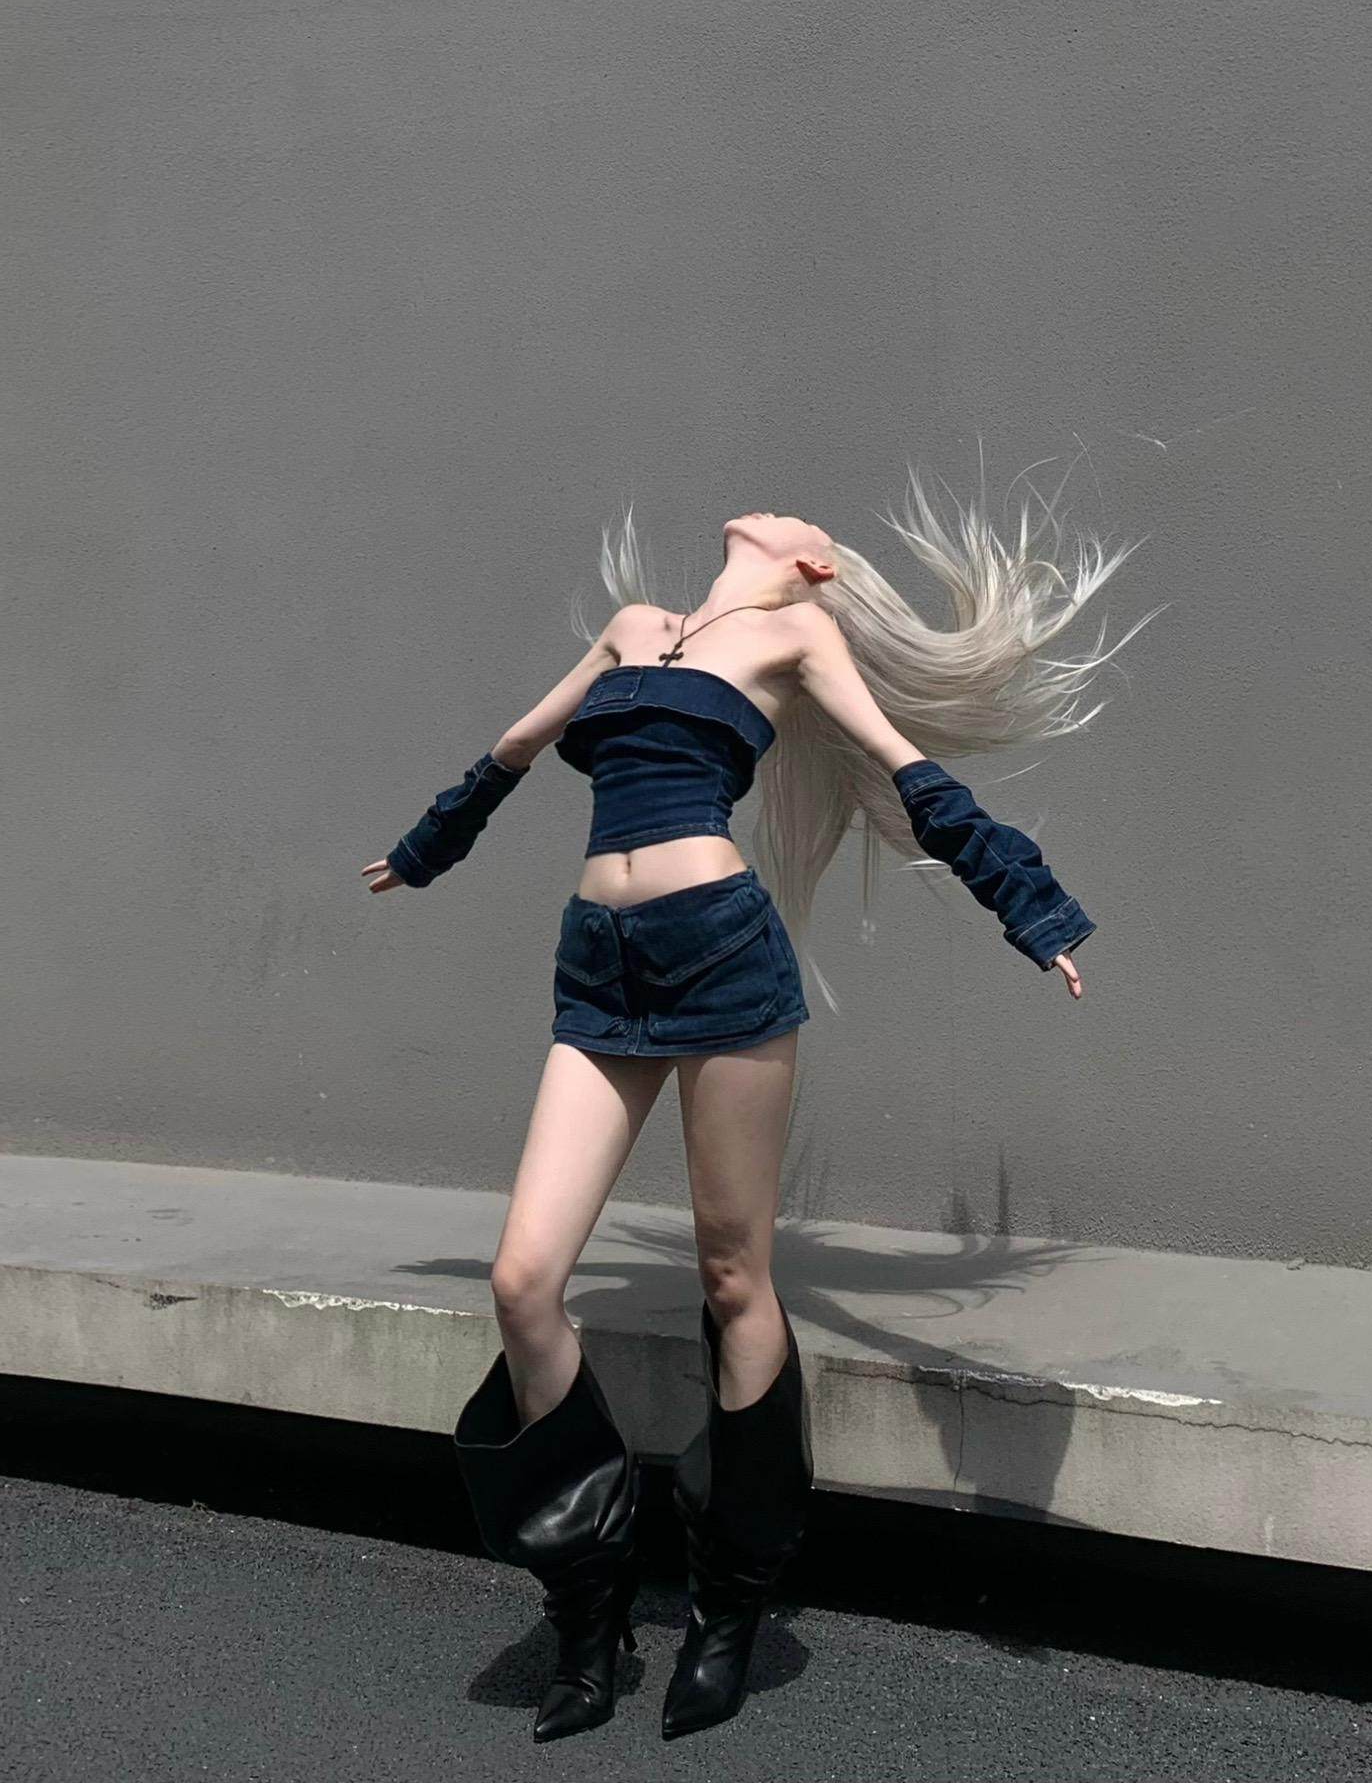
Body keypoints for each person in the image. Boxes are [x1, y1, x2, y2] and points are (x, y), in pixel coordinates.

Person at [362, 472, 1153, 1743]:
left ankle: (728, 1606)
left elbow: (913, 775)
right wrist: (425, 847)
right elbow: (516, 747)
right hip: (598, 965)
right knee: (521, 1280)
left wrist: (1030, 906)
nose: (781, 506)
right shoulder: (634, 627)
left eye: (804, 521)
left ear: (812, 564)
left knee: (736, 1277)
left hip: (721, 956)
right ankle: (589, 1606)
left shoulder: (799, 634)